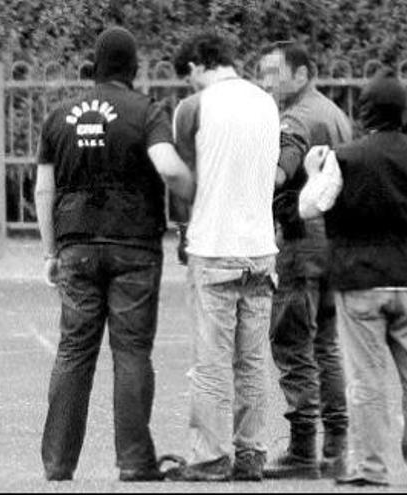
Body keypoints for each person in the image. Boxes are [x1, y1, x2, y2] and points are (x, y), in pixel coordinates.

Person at [35, 26, 195, 482]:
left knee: (73, 350)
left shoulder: (59, 115)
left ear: (95, 65)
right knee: (131, 353)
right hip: (134, 246)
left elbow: (44, 188)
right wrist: (191, 198)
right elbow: (166, 166)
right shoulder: (147, 111)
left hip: (76, 244)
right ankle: (134, 461)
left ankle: (58, 463)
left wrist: (51, 250)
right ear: (134, 69)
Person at [166, 31, 281, 481]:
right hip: (260, 247)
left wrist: (183, 230)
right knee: (252, 361)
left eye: (188, 77)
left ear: (198, 65)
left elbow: (183, 178)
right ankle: (251, 452)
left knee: (212, 361)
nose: (189, 86)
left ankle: (210, 456)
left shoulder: (195, 108)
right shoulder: (266, 102)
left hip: (213, 245)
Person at [299, 70, 407, 487]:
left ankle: (372, 469)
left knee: (367, 381)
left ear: (364, 113)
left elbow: (310, 207)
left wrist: (312, 171)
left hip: (359, 279)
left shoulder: (345, 157)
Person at [257, 40, 352, 480]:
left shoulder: (294, 119)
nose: (266, 81)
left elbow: (281, 166)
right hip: (336, 241)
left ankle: (301, 448)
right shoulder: (334, 113)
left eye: (274, 72)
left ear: (301, 73)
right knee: (327, 344)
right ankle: (336, 444)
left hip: (300, 239)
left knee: (293, 341)